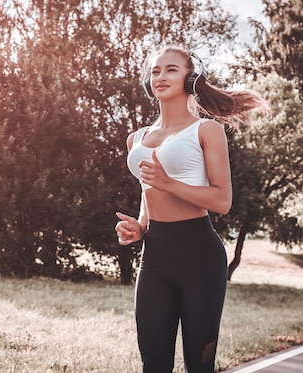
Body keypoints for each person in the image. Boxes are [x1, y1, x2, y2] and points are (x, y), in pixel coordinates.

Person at [115, 45, 268, 373]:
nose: (161, 76)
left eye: (171, 69)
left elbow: (222, 201)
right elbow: (148, 193)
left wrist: (168, 183)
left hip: (200, 258)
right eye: (155, 71)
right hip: (154, 258)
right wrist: (140, 227)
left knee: (199, 366)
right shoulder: (136, 139)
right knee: (153, 365)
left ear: (190, 78)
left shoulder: (206, 130)